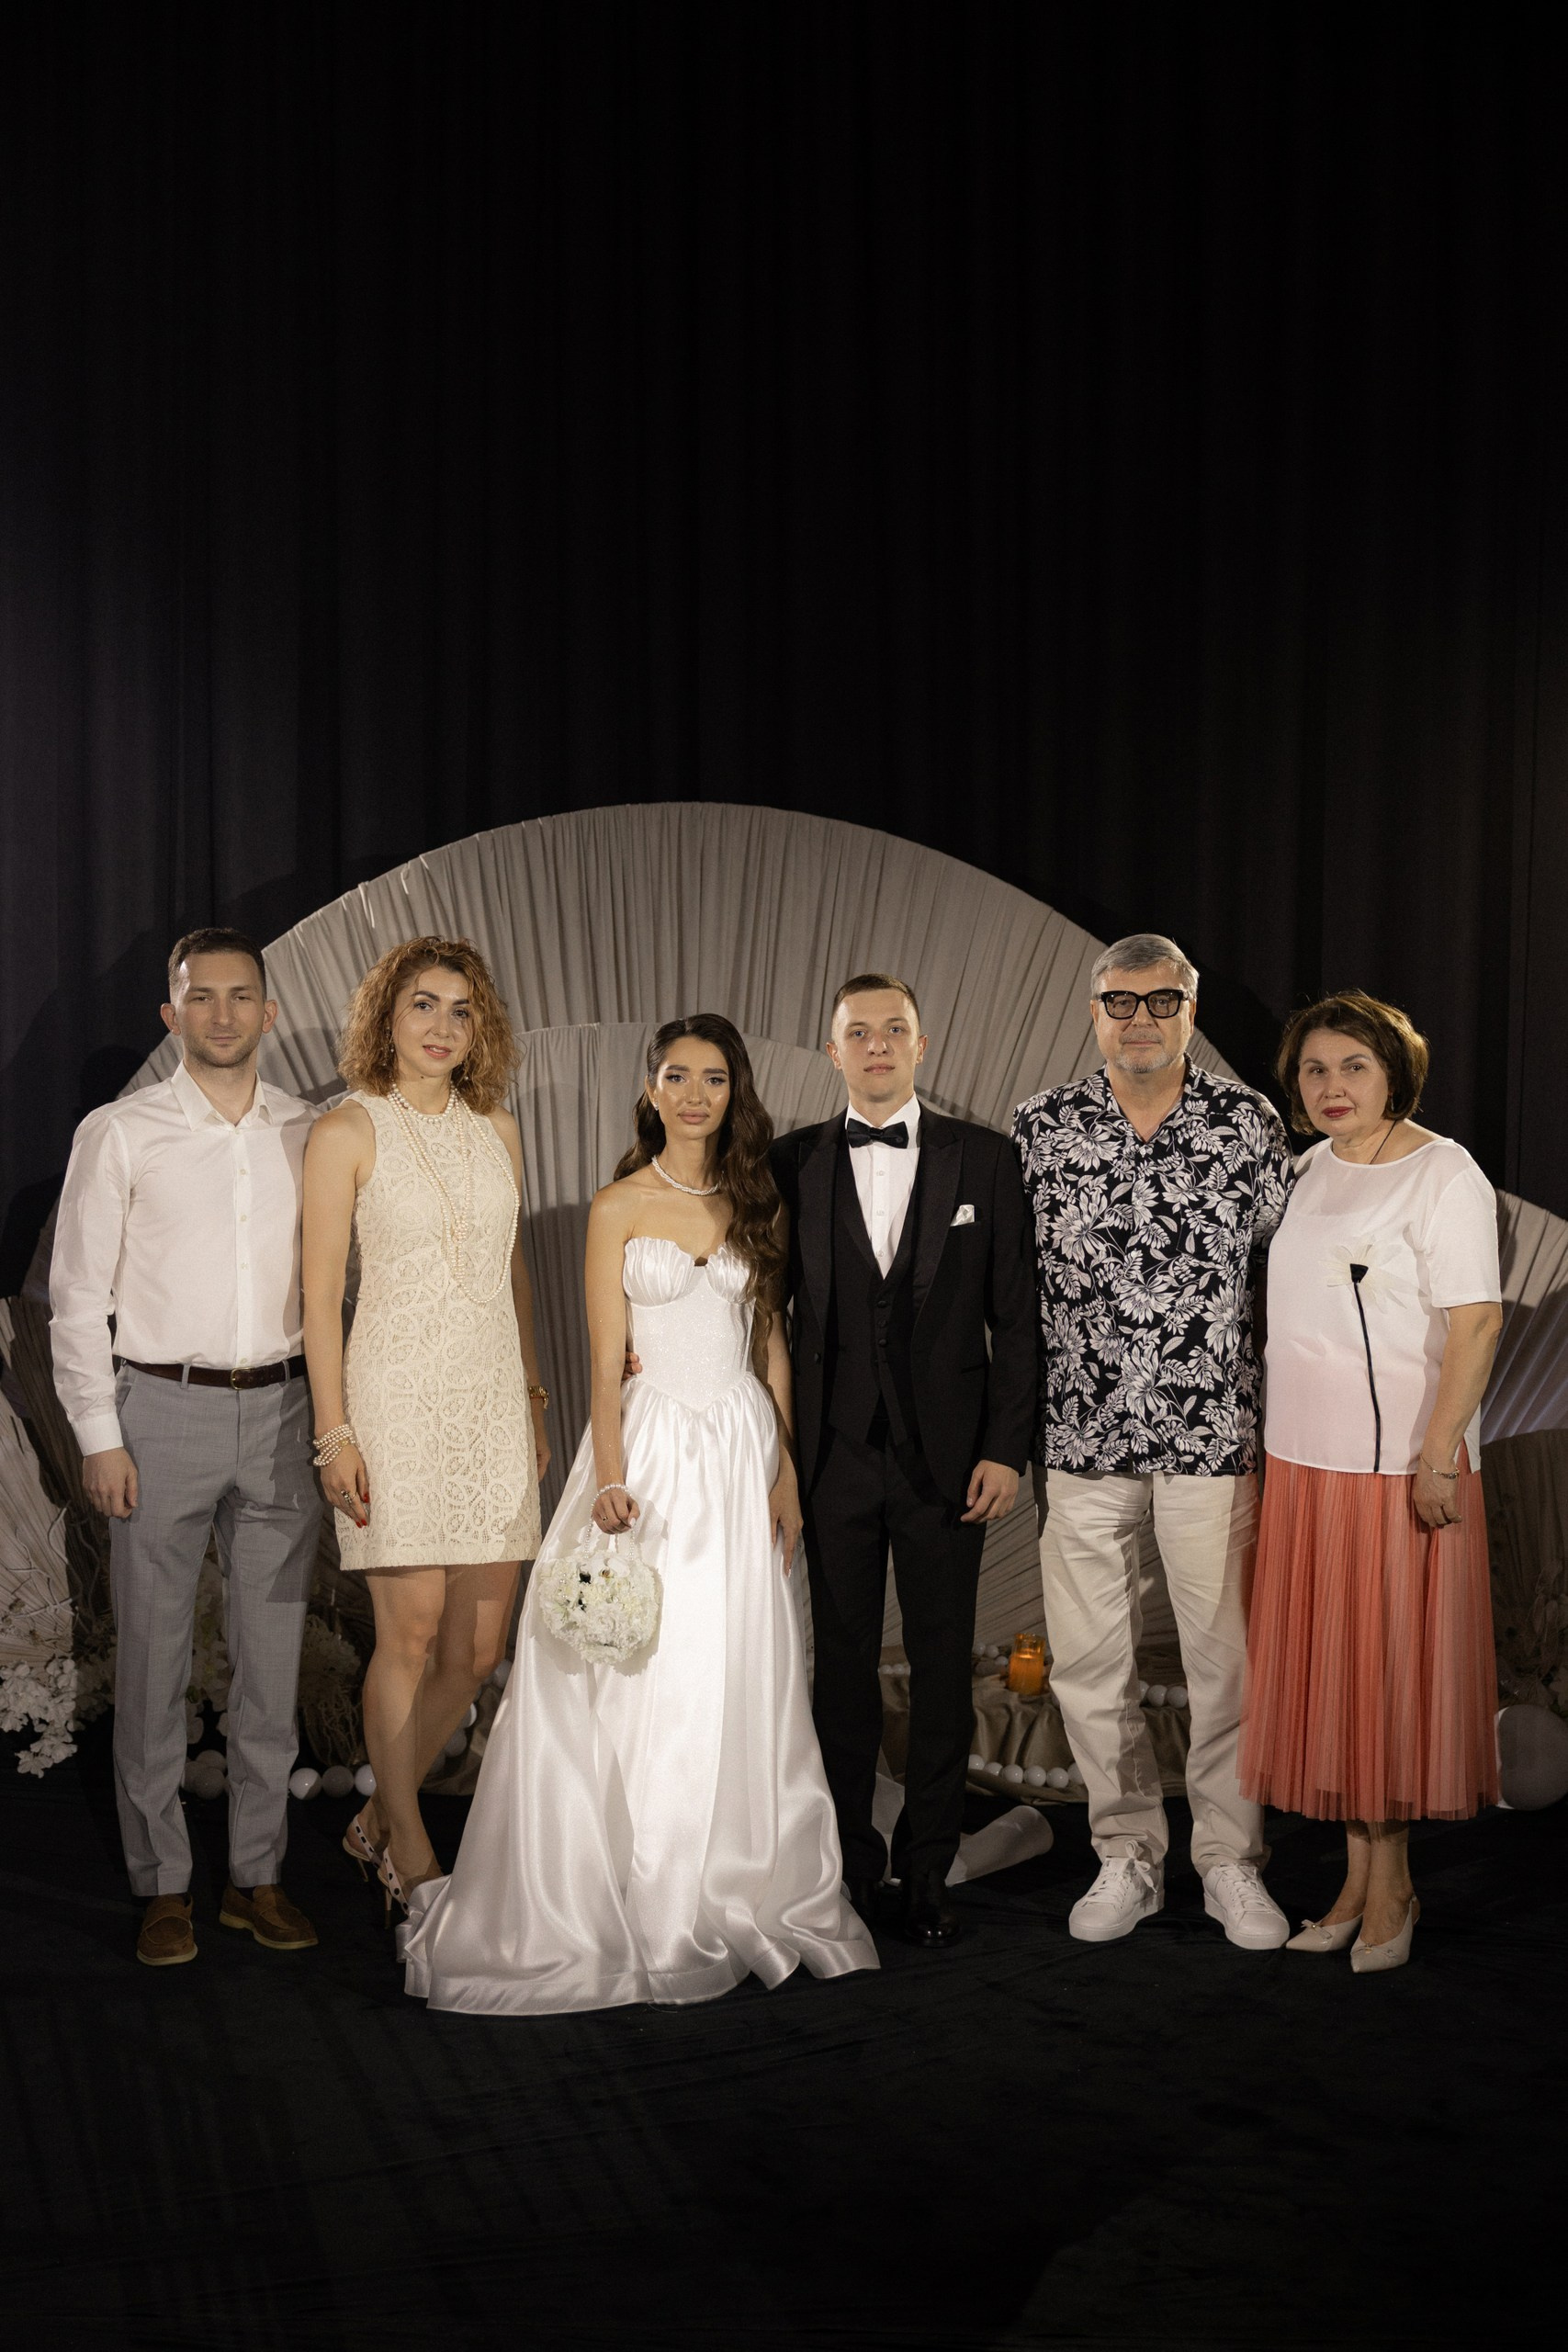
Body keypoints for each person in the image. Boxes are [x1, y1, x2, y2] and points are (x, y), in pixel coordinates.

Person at [400, 1014, 876, 2012]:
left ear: (734, 1093)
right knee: (635, 1665)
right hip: (650, 1452)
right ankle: (627, 1882)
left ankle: (730, 1875)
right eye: (676, 1075)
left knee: (733, 1660)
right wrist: (609, 1479)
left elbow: (771, 1344)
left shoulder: (757, 1202)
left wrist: (784, 1469)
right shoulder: (616, 1204)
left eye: (713, 1078)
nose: (695, 1094)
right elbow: (601, 1364)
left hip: (740, 1449)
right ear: (651, 1089)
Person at [1012, 933, 1293, 1950]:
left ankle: (1229, 1861)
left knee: (1226, 1665)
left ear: (1190, 1009)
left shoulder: (1247, 1124)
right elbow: (1003, 1283)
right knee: (1090, 1667)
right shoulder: (1040, 1127)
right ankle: (1126, 1853)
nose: (1141, 1019)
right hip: (1079, 1435)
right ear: (1094, 1011)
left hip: (1211, 1436)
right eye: (1121, 1002)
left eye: (1161, 1001)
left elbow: (1289, 1271)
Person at [50, 929, 321, 1966]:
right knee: (155, 1660)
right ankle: (162, 1884)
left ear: (269, 1012)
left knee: (271, 1664)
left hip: (285, 1413)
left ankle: (256, 1875)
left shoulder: (310, 1132)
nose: (221, 1013)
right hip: (160, 1412)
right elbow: (79, 1298)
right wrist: (99, 1434)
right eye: (200, 997)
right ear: (171, 1016)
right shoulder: (120, 1132)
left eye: (240, 995)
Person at [771, 975, 1038, 1949]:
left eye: (894, 1030)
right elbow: (760, 1311)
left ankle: (927, 1868)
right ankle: (846, 1863)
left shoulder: (987, 1159)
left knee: (940, 1668)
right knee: (838, 1669)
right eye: (859, 1032)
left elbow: (1018, 1320)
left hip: (951, 1464)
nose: (877, 1045)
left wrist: (1004, 1449)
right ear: (832, 1049)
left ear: (922, 1046)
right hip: (831, 1458)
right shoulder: (790, 1161)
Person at [1239, 991, 1503, 1972]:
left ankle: (1393, 1888)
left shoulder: (1444, 1173)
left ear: (1395, 1072)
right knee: (1341, 1680)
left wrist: (1439, 1454)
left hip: (1396, 1471)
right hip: (1304, 1463)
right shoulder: (1307, 1169)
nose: (1332, 1085)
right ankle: (1356, 1883)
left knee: (1385, 1678)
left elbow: (1477, 1322)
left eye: (1353, 1065)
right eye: (1314, 1069)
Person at [301, 936, 550, 1912]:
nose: (442, 1026)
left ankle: (374, 1820)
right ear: (386, 1016)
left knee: (476, 1653)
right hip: (394, 1404)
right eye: (423, 1004)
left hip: (491, 1406)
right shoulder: (345, 1129)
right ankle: (408, 1851)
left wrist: (531, 1395)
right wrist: (335, 1433)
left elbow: (513, 1270)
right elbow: (320, 1298)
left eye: (461, 1009)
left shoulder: (499, 1127)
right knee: (406, 1637)